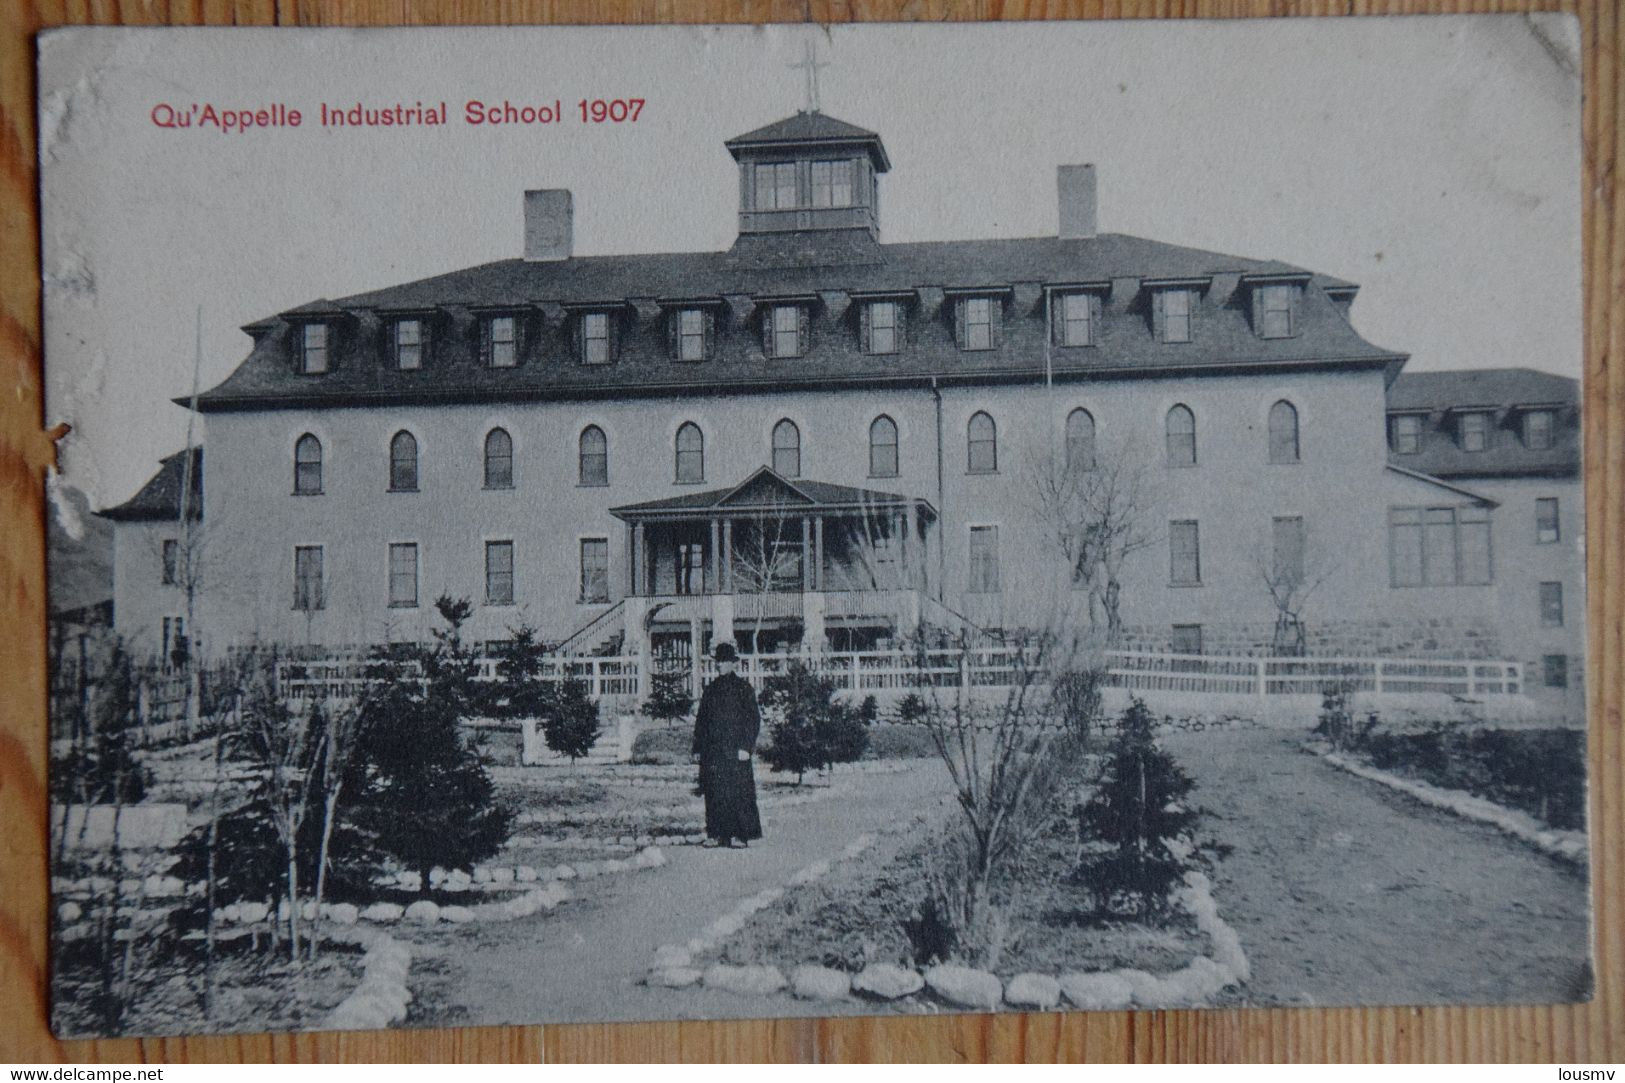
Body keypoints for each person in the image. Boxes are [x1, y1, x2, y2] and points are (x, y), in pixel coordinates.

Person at [691, 641, 763, 848]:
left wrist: (746, 747)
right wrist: (698, 748)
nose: (720, 665)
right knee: (714, 792)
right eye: (718, 661)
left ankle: (739, 835)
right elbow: (702, 720)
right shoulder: (710, 690)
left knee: (738, 792)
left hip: (736, 750)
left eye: (724, 661)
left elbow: (753, 720)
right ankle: (715, 833)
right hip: (713, 751)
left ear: (733, 664)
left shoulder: (744, 689)